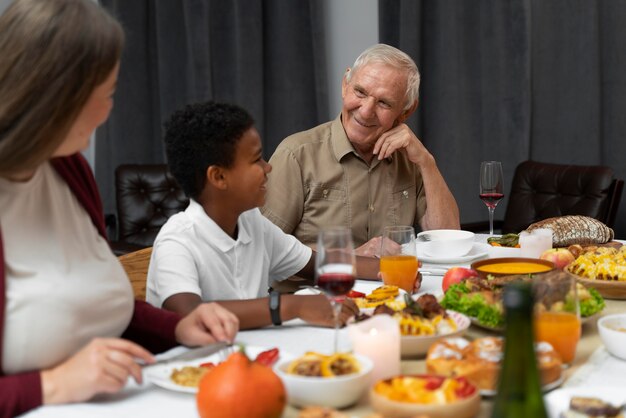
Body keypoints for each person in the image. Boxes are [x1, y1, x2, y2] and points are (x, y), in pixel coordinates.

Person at [0, 1, 238, 416]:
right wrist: (51, 385)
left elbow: (93, 307)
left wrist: (178, 326)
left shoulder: (67, 168)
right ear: (55, 100)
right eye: (107, 93)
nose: (111, 109)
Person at [146, 101, 379, 329]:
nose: (268, 167)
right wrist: (294, 306)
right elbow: (190, 314)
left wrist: (393, 267)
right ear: (219, 177)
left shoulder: (251, 222)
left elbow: (318, 264)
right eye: (256, 159)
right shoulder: (177, 240)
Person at [262, 43, 460, 257]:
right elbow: (265, 249)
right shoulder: (296, 155)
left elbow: (447, 243)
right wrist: (352, 258)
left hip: (391, 289)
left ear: (406, 112)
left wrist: (426, 162)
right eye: (360, 92)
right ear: (345, 85)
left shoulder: (411, 160)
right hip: (317, 290)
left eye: (384, 103)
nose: (366, 112)